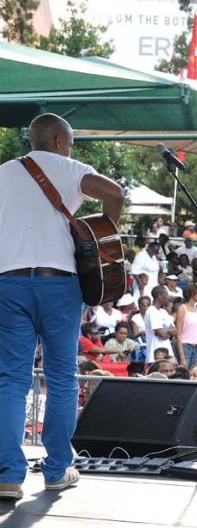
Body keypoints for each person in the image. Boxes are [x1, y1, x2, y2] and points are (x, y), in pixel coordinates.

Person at [0, 113, 123, 500]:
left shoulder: (3, 172)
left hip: (9, 281)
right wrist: (103, 233)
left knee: (11, 381)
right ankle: (56, 469)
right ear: (57, 141)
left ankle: (7, 476)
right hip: (59, 283)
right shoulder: (71, 169)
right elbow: (115, 192)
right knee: (61, 377)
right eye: (68, 143)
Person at [175, 283, 197, 370]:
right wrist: (182, 357)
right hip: (185, 345)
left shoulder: (196, 309)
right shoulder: (182, 309)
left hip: (196, 345)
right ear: (192, 293)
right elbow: (178, 333)